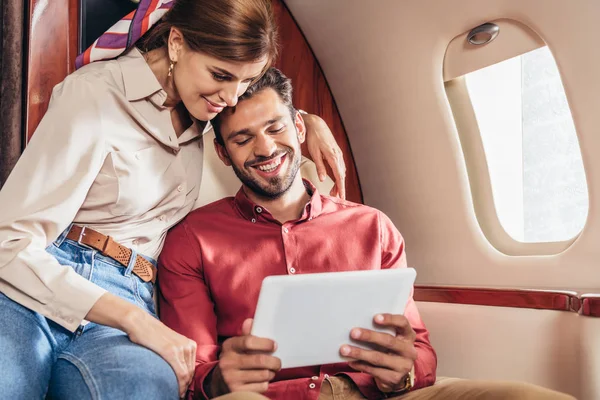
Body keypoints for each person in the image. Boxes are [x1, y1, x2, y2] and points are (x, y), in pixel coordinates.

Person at [158, 68, 577, 400]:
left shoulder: (373, 227)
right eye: (243, 139)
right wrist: (217, 382)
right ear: (222, 153)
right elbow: (193, 373)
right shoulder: (191, 241)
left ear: (300, 129)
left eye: (276, 128)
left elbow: (421, 353)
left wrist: (403, 371)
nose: (265, 149)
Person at [0, 1, 346, 399]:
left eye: (243, 81)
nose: (232, 99)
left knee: (143, 388)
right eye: (221, 76)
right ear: (177, 44)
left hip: (131, 290)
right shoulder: (94, 94)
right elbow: (8, 243)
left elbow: (260, 111)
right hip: (40, 280)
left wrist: (309, 122)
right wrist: (136, 321)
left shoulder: (206, 98)